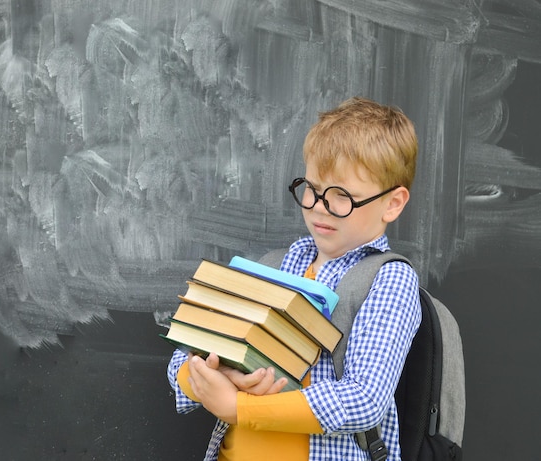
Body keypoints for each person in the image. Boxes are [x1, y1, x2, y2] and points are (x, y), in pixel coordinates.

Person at [167, 96, 422, 461]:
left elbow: (364, 400)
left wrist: (240, 409)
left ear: (393, 203)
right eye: (312, 189)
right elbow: (184, 355)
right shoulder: (276, 265)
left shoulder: (388, 280)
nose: (320, 206)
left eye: (343, 197)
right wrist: (220, 377)